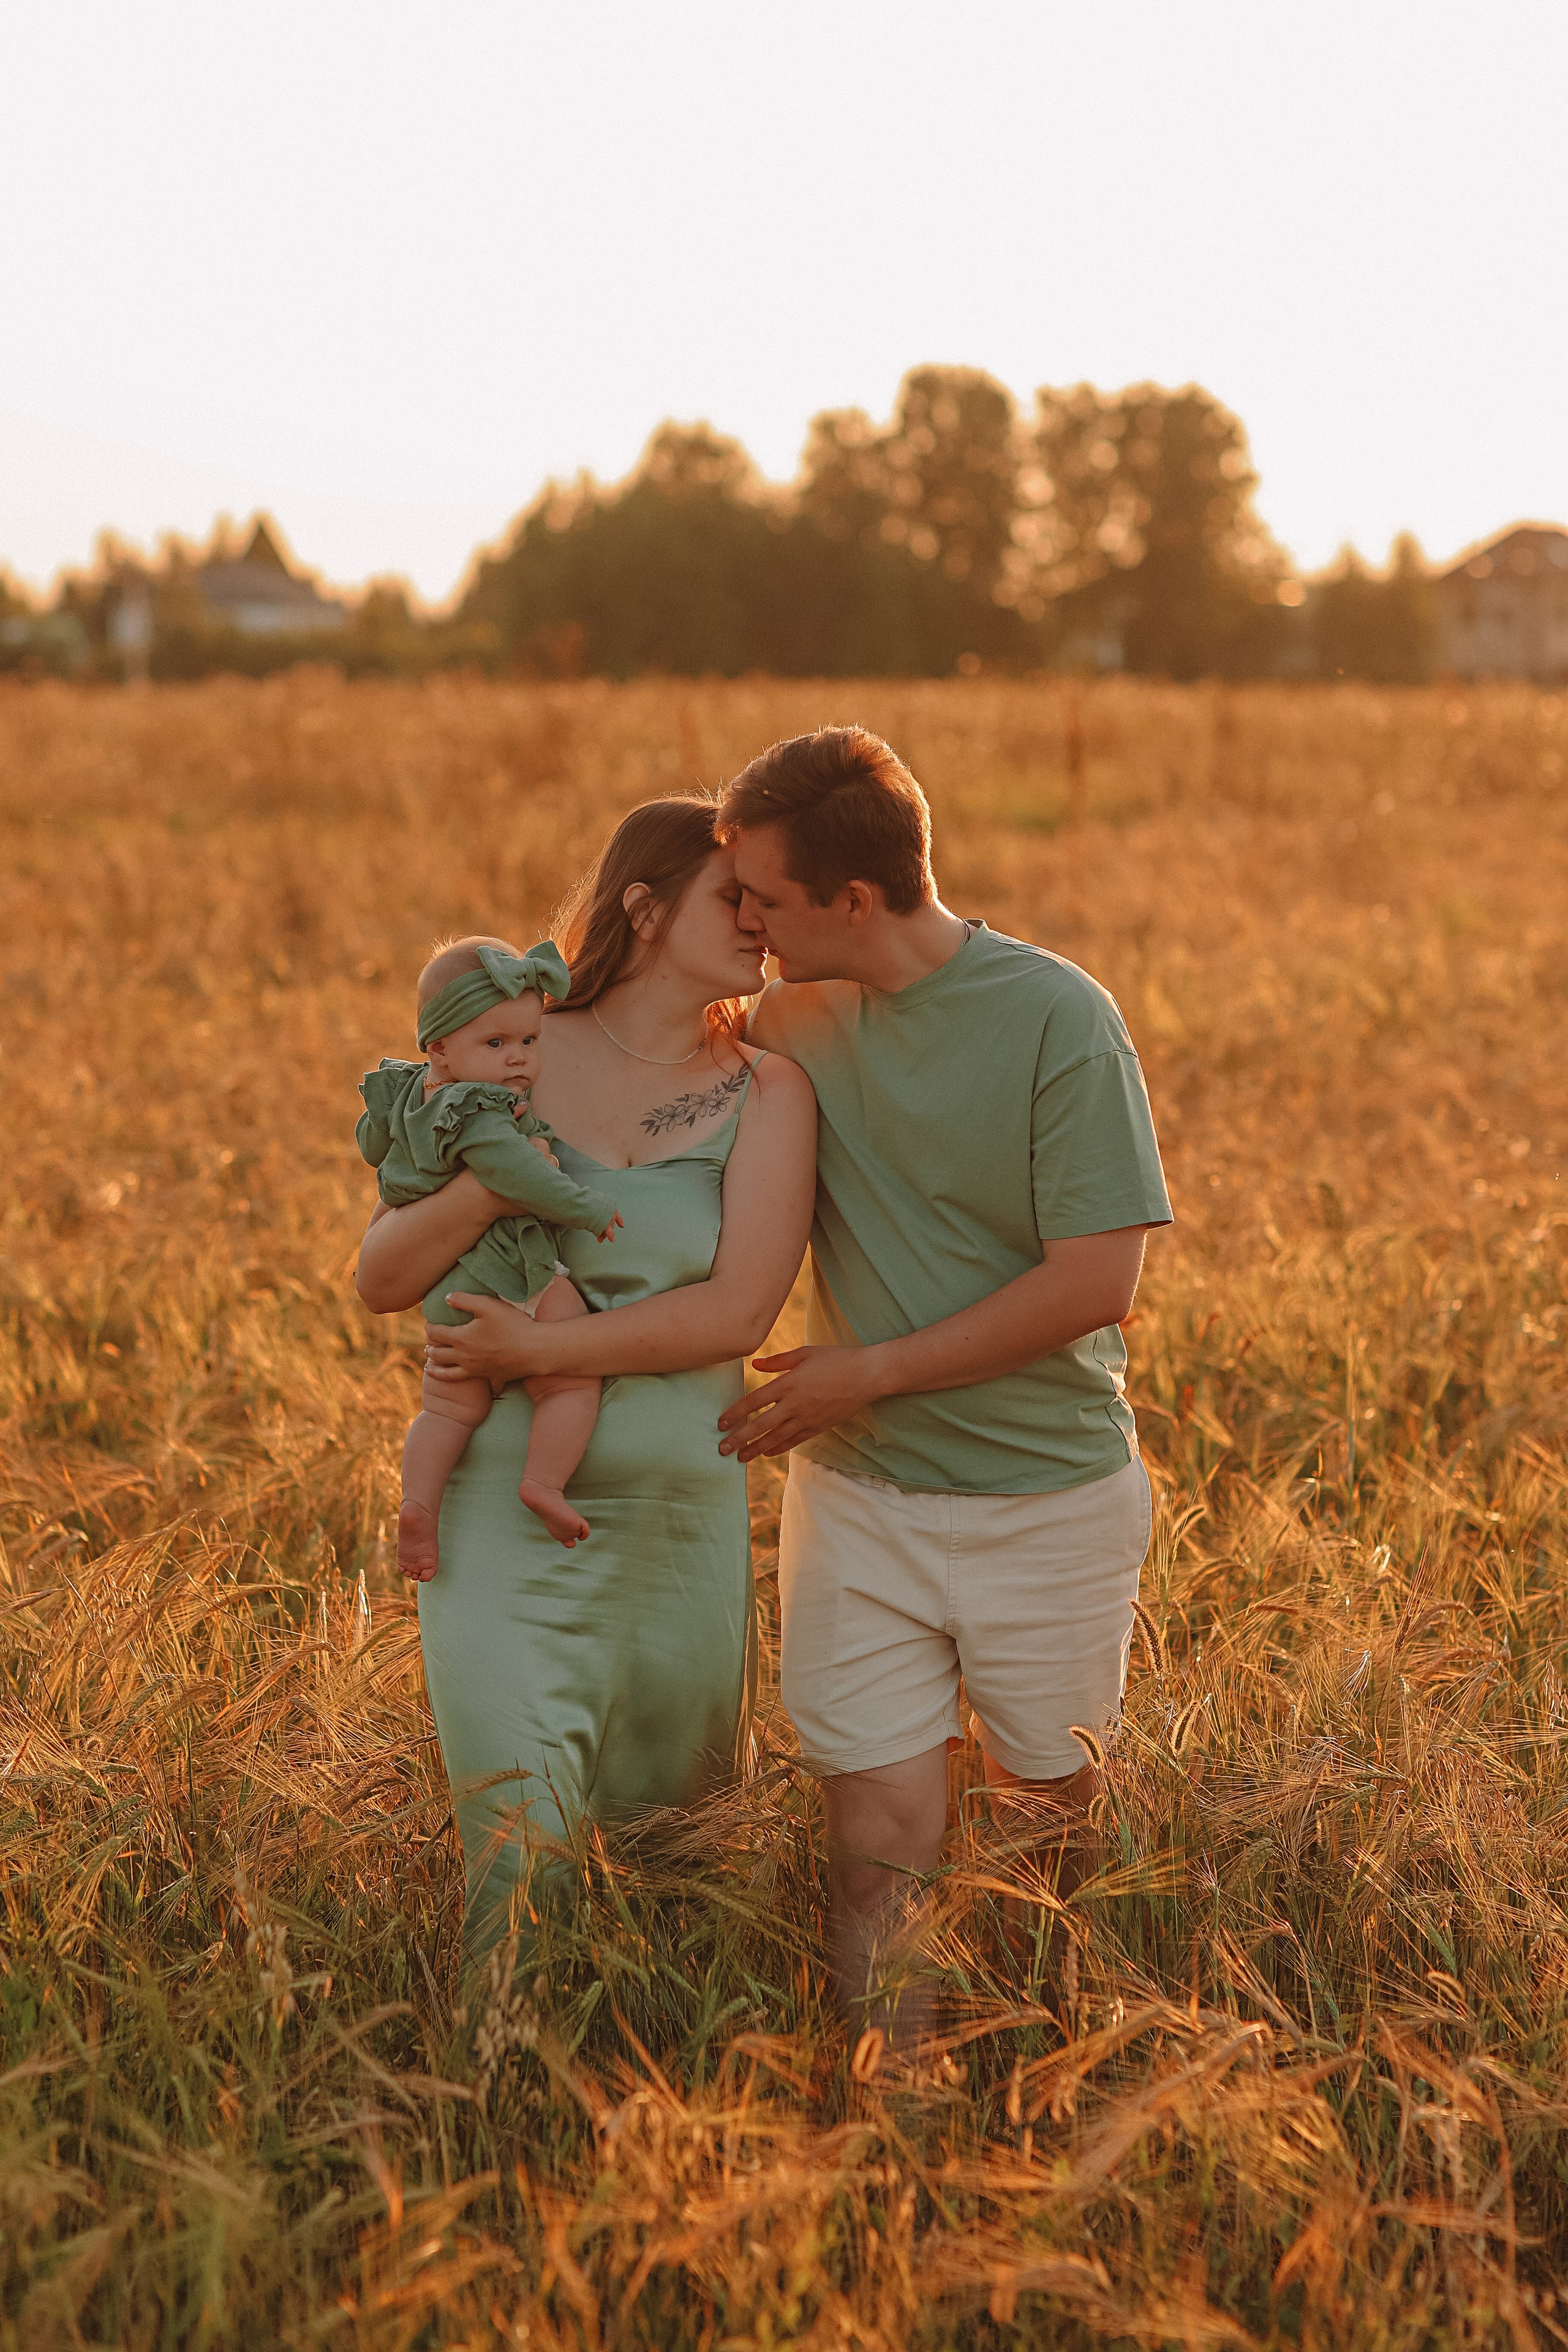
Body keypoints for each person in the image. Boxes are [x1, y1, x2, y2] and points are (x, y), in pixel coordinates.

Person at [712, 726, 1173, 2040]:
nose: (743, 919)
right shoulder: (782, 1017)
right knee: (875, 1846)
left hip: (1049, 1503)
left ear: (850, 901)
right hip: (858, 1505)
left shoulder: (1056, 1017)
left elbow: (1095, 1281)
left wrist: (870, 1371)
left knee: (1040, 1853)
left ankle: (1025, 2114)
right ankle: (891, 2132)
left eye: (763, 896)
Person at [354, 799, 817, 1961]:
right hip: (503, 1519)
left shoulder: (769, 1091)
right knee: (515, 1853)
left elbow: (740, 1312)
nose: (762, 921)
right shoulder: (514, 1050)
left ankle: (640, 2116)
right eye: (734, 897)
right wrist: (494, 1188)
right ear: (644, 908)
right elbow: (380, 1274)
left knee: (674, 1871)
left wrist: (539, 1352)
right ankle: (492, 2093)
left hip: (678, 1515)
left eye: (770, 898)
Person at [357, 936, 624, 1575]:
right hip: (508, 1271)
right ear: (440, 1048)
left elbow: (373, 1145)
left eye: (529, 1043)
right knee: (572, 1374)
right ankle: (544, 1482)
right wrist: (582, 1207)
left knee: (448, 1408)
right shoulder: (479, 1110)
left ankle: (418, 1503)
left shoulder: (414, 1092)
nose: (517, 1062)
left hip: (448, 1290)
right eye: (496, 1045)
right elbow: (514, 1175)